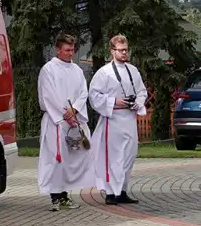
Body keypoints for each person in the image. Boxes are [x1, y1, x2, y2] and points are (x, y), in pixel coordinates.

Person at [88, 34, 147, 205]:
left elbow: (142, 91)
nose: (124, 53)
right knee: (113, 156)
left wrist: (137, 102)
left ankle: (121, 190)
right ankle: (110, 192)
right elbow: (94, 96)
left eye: (125, 50)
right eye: (120, 50)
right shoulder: (104, 73)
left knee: (128, 154)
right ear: (112, 51)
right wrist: (115, 102)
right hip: (112, 119)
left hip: (129, 118)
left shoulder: (132, 70)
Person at [38, 33, 92, 211]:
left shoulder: (77, 70)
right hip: (57, 122)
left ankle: (65, 195)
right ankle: (56, 197)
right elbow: (48, 96)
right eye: (67, 50)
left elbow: (84, 92)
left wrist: (75, 109)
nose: (71, 53)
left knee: (70, 159)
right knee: (56, 159)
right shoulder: (48, 69)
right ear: (58, 49)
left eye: (72, 49)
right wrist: (64, 115)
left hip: (73, 120)